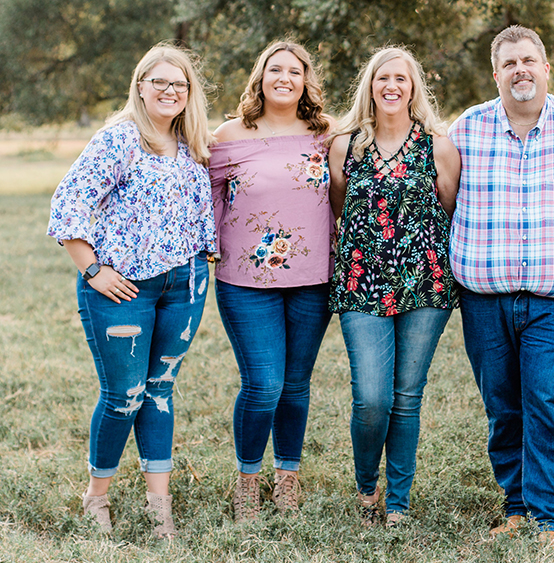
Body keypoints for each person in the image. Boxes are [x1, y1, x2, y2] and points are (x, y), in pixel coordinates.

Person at [448, 25, 554, 545]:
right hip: (483, 297)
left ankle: (551, 518)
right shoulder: (467, 129)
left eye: (529, 61)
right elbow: (445, 201)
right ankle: (516, 505)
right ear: (495, 74)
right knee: (502, 404)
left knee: (547, 399)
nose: (520, 70)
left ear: (546, 68)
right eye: (509, 64)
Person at [47, 42, 215, 539]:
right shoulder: (119, 140)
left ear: (189, 94)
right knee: (124, 395)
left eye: (178, 84)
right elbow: (68, 203)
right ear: (140, 86)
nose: (169, 90)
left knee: (160, 391)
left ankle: (158, 506)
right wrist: (92, 269)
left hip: (184, 285)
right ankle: (95, 497)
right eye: (158, 81)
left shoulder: (191, 147)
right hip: (122, 290)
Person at [328, 46, 460, 527]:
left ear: (413, 88)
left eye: (401, 79)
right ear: (370, 84)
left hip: (425, 285)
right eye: (383, 77)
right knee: (372, 399)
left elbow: (445, 208)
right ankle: (367, 489)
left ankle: (399, 501)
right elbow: (340, 207)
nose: (392, 86)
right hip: (361, 283)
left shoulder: (437, 146)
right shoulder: (346, 146)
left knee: (406, 396)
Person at [209, 40, 334, 522]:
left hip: (313, 279)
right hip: (244, 279)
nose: (284, 77)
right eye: (274, 69)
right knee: (263, 384)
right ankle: (247, 480)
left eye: (294, 71)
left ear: (305, 81)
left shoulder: (327, 135)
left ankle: (287, 479)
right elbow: (209, 199)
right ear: (259, 77)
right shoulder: (229, 135)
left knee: (296, 384)